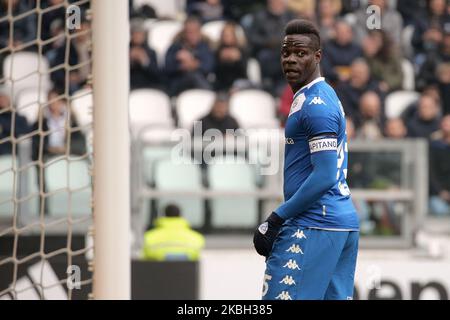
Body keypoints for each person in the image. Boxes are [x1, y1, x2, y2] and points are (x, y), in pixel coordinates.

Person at [253, 19, 359, 300]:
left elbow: (324, 175)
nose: (290, 59)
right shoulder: (317, 96)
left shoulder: (316, 105)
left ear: (317, 56)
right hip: (337, 223)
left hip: (314, 224)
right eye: (286, 53)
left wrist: (276, 219)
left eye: (300, 54)